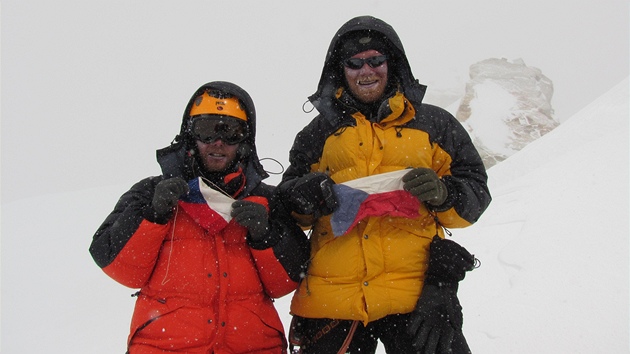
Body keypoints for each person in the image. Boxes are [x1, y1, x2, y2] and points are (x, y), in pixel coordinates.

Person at [278, 16, 491, 353]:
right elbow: (289, 210)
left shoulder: (435, 125)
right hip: (335, 301)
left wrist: (444, 193)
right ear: (340, 69)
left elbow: (476, 196)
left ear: (393, 64)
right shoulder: (316, 135)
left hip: (418, 296)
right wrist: (305, 196)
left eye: (376, 60)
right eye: (355, 62)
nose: (367, 71)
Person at [89, 81, 309, 354]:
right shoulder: (150, 192)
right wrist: (153, 216)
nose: (218, 142)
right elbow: (120, 269)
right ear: (190, 135)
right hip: (165, 347)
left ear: (245, 140)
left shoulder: (264, 200)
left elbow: (288, 282)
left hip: (253, 347)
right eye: (207, 130)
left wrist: (265, 236)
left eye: (230, 131)